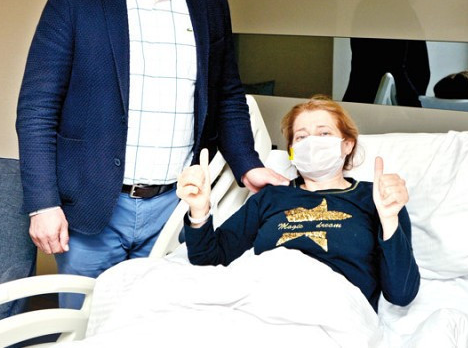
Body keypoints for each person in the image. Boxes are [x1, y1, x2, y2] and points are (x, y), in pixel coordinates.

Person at [15, 0, 285, 306]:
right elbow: (37, 108)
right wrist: (43, 203)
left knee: (159, 324)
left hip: (174, 209)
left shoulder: (209, 2)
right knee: (86, 325)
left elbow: (227, 97)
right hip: (91, 208)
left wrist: (248, 164)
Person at [176, 96, 420, 311]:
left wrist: (389, 220)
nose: (312, 142)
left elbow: (401, 294)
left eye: (324, 133)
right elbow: (209, 257)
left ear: (347, 144)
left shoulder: (377, 197)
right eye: (301, 137)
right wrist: (199, 209)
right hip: (263, 303)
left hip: (336, 311)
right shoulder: (272, 197)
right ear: (292, 151)